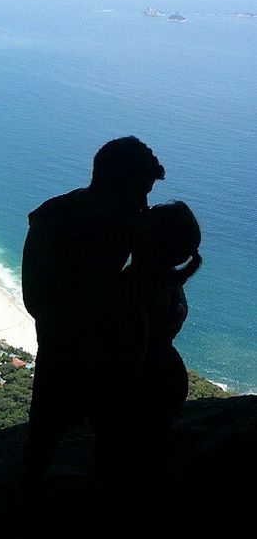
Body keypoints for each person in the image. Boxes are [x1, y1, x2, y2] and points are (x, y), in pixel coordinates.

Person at [21, 136, 165, 482]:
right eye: (140, 193)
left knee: (57, 441)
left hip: (78, 350)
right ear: (114, 187)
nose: (145, 205)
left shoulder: (69, 218)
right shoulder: (55, 221)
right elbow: (37, 300)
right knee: (52, 441)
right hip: (69, 353)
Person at [123, 201, 202, 475]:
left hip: (143, 381)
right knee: (155, 448)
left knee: (125, 454)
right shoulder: (172, 284)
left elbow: (134, 348)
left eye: (146, 219)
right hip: (168, 376)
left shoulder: (134, 287)